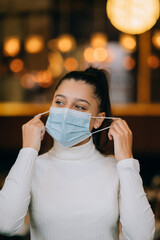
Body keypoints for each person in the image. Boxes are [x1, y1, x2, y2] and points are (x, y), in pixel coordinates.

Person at [0, 67, 155, 240]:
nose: (66, 112)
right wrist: (28, 151)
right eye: (59, 102)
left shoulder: (116, 168)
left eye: (79, 106)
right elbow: (5, 224)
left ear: (98, 120)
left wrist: (126, 161)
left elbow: (141, 236)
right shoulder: (31, 166)